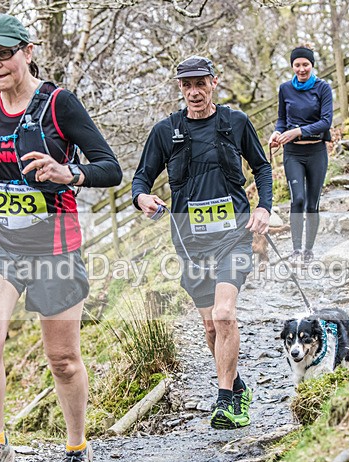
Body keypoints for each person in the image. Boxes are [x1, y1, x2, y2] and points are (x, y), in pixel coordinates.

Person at [0, 14, 122, 462]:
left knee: (62, 358)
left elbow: (111, 168)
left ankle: (76, 449)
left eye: (3, 54)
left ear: (27, 51)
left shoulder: (59, 104)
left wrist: (69, 173)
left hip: (55, 245)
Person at [131, 56, 272, 430]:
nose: (194, 92)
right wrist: (142, 198)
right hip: (189, 242)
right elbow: (141, 179)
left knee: (225, 316)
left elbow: (262, 166)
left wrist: (264, 207)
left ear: (213, 82)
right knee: (211, 328)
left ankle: (225, 402)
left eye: (200, 83)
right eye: (186, 85)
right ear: (180, 88)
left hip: (233, 237)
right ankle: (237, 385)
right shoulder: (166, 132)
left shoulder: (235, 123)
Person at [267, 46, 332, 263]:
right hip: (293, 152)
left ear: (312, 65)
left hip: (316, 151)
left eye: (306, 64)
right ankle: (295, 250)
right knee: (298, 199)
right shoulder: (285, 89)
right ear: (292, 66)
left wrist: (299, 131)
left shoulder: (323, 88)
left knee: (312, 203)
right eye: (297, 64)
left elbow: (326, 122)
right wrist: (277, 132)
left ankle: (308, 251)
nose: (302, 69)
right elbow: (281, 119)